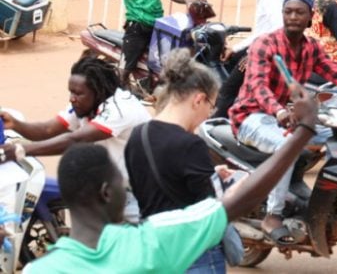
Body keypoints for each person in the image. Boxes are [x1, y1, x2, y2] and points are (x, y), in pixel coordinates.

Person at [23, 82, 320, 273]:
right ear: (106, 193)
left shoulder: (41, 270)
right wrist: (303, 130)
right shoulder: (151, 242)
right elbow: (244, 198)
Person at [228, 0, 337, 244]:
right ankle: (273, 215)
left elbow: (336, 73)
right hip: (252, 117)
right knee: (287, 146)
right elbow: (258, 86)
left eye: (299, 12)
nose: (293, 17)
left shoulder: (311, 48)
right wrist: (279, 111)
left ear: (310, 17)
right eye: (288, 12)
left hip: (291, 119)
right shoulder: (266, 44)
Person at [0, 55, 151, 223]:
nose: (72, 98)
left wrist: (20, 150)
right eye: (71, 91)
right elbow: (47, 129)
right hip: (110, 189)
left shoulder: (120, 108)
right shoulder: (85, 106)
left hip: (138, 193)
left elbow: (75, 140)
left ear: (98, 91)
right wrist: (15, 124)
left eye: (78, 93)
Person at [124, 49, 225, 272]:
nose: (209, 114)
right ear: (199, 99)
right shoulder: (191, 145)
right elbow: (213, 209)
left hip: (155, 248)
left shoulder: (137, 135)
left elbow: (155, 183)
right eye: (211, 105)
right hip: (193, 253)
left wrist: (209, 172)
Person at [212, 0, 284, 118]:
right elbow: (261, 31)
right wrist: (236, 48)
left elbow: (278, 29)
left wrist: (251, 54)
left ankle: (215, 125)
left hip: (265, 53)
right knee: (231, 60)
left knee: (227, 90)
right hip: (265, 48)